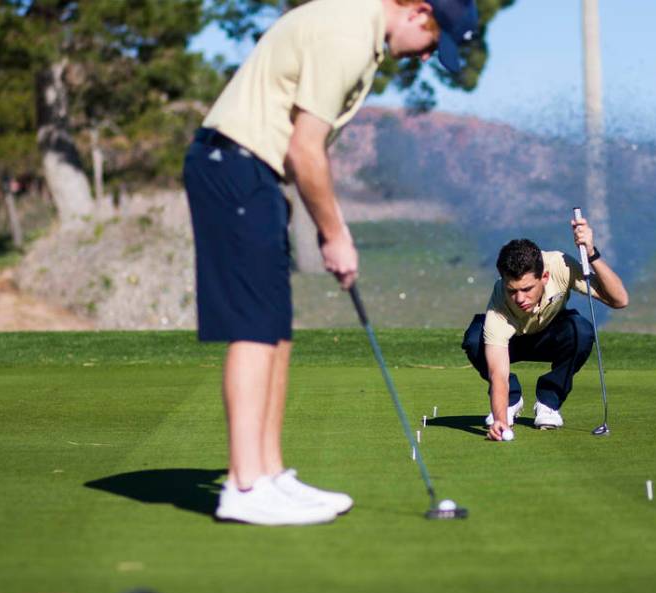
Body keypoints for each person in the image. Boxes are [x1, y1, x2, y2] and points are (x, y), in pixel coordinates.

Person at [183, 0, 479, 525]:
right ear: (417, 11)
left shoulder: (359, 33)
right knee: (253, 330)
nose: (428, 56)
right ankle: (244, 485)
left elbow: (306, 152)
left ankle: (268, 475)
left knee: (274, 330)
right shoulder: (347, 32)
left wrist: (332, 226)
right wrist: (335, 232)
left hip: (254, 174)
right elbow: (305, 149)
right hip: (234, 167)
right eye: (434, 43)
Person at [461, 215, 629, 441]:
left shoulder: (561, 266)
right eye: (512, 290)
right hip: (513, 342)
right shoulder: (499, 307)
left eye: (527, 288)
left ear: (545, 277)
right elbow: (498, 373)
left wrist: (591, 253)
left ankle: (548, 403)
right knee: (475, 338)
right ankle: (511, 402)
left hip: (551, 335)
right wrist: (500, 419)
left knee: (581, 330)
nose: (520, 298)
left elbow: (619, 300)